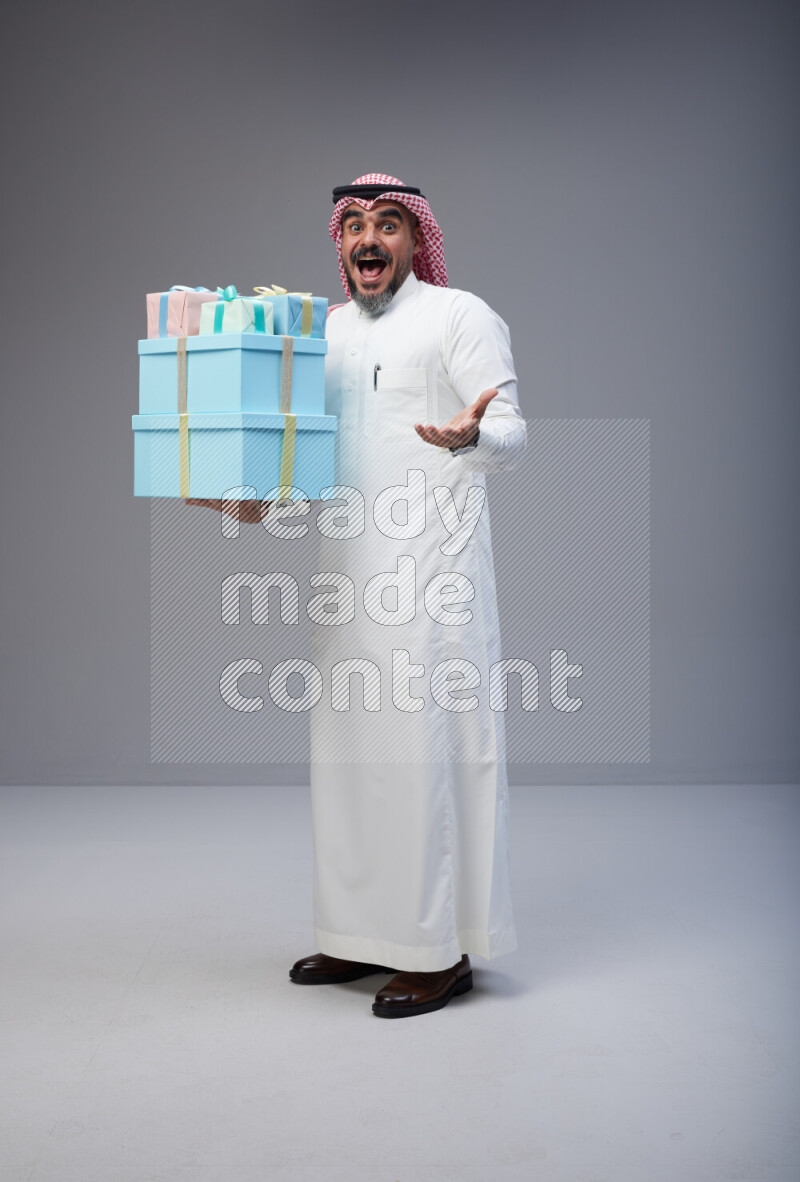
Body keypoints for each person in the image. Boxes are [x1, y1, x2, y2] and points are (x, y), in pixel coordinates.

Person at [287, 173, 527, 1018]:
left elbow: (513, 429)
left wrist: (474, 434)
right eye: (354, 224)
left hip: (433, 582)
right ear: (339, 242)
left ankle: (438, 950)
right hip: (344, 580)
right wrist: (233, 491)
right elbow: (303, 466)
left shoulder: (458, 315)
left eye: (389, 224)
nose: (369, 239)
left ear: (414, 239)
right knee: (350, 757)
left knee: (425, 757)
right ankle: (359, 934)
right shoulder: (326, 333)